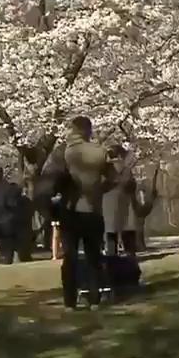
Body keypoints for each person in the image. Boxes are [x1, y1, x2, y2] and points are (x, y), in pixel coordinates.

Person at [40, 116, 115, 310]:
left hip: (70, 210)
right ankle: (94, 299)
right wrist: (99, 190)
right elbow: (114, 178)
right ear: (89, 131)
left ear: (73, 130)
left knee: (70, 257)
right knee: (93, 256)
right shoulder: (100, 152)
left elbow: (48, 180)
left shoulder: (62, 152)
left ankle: (70, 302)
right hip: (93, 211)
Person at [103, 144, 140, 258]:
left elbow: (100, 185)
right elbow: (132, 186)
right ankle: (130, 257)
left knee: (110, 233)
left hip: (108, 203)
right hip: (125, 203)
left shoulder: (105, 169)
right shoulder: (126, 169)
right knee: (128, 231)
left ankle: (111, 258)